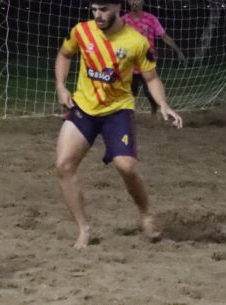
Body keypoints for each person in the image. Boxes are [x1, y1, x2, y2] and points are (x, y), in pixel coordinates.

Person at [54, 0, 183, 249]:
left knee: (125, 166)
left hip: (117, 112)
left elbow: (151, 77)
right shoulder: (81, 31)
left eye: (103, 9)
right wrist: (61, 86)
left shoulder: (136, 41)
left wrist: (163, 104)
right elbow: (64, 55)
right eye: (94, 10)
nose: (98, 15)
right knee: (63, 165)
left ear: (117, 8)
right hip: (84, 108)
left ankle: (146, 214)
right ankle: (83, 229)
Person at [122, 0, 186, 114]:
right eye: (131, 0)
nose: (134, 2)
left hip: (147, 64)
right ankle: (127, 116)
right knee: (129, 93)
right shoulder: (123, 21)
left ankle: (155, 109)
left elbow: (164, 36)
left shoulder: (151, 19)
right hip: (129, 64)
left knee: (150, 92)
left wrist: (178, 51)